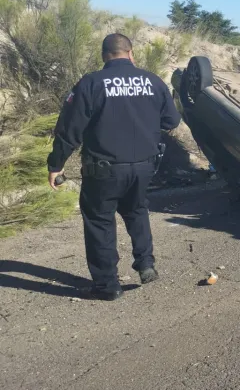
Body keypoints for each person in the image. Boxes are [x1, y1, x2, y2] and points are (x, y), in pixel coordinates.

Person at [47, 33, 181, 300]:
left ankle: (108, 286)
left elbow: (69, 130)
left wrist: (56, 164)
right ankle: (145, 264)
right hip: (144, 166)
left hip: (104, 169)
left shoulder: (91, 83)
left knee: (99, 221)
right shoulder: (152, 81)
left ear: (104, 56)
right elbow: (171, 120)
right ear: (131, 53)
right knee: (137, 210)